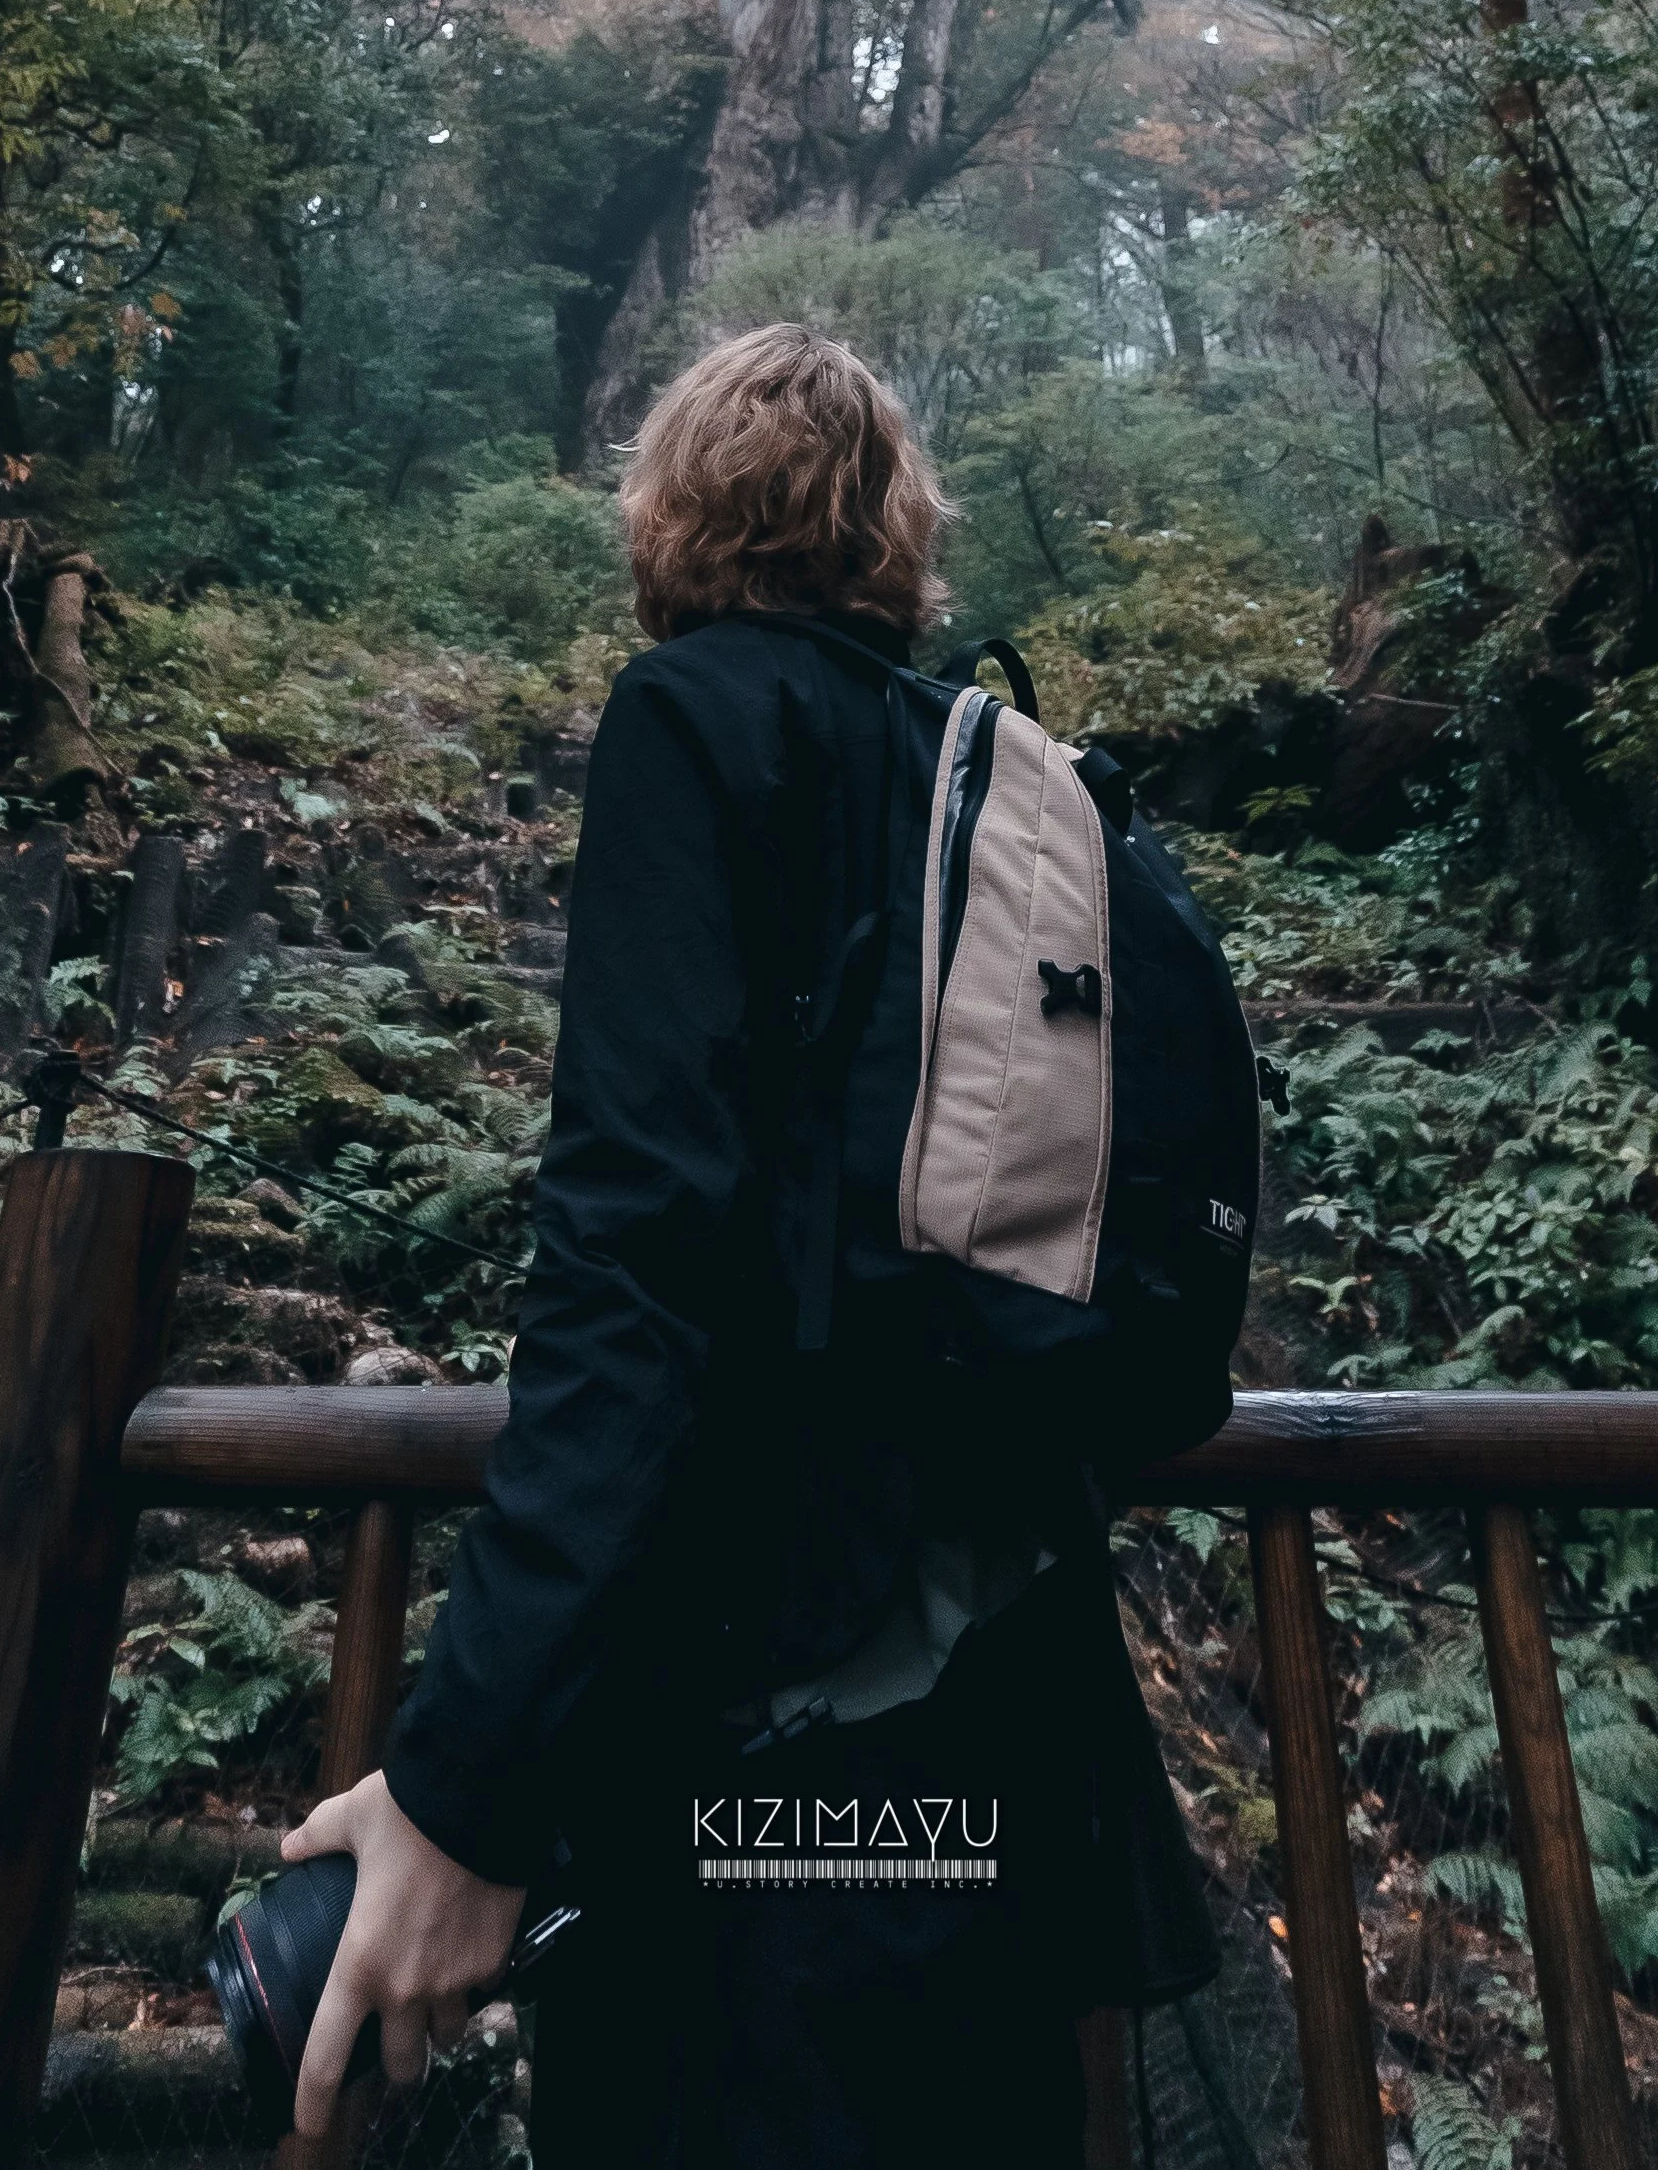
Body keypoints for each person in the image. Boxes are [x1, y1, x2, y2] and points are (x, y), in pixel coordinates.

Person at [281, 323, 1204, 2161]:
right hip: (1003, 1688)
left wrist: (468, 1780)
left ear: (673, 509)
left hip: (760, 1708)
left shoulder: (693, 719)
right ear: (893, 532)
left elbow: (639, 1249)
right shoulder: (984, 763)